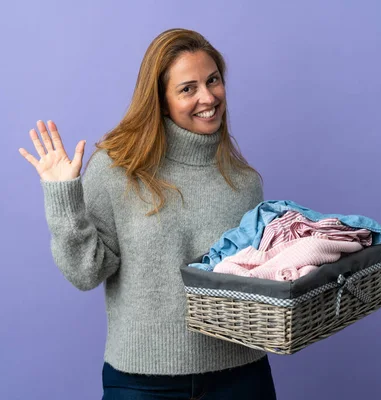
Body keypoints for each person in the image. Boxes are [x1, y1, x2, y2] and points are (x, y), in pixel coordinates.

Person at [18, 28, 277, 399]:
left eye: (213, 80)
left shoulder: (245, 181)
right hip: (141, 383)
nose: (208, 97)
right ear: (161, 99)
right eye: (188, 88)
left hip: (241, 376)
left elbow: (259, 280)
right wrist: (64, 197)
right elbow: (85, 273)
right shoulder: (116, 170)